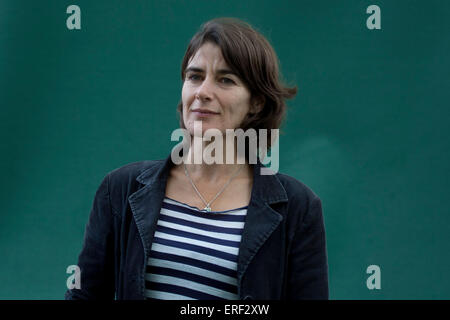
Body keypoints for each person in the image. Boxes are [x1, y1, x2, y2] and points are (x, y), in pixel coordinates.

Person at [65, 17, 328, 300]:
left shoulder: (298, 208)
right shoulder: (120, 189)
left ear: (256, 102)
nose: (203, 92)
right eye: (195, 76)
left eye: (225, 80)